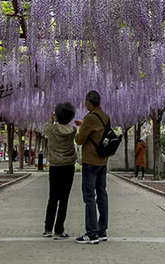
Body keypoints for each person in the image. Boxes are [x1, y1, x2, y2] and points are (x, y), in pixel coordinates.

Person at [73, 90, 110, 245]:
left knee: (89, 196)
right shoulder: (105, 117)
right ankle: (102, 231)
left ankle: (91, 233)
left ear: (89, 102)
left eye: (86, 102)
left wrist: (80, 129)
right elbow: (100, 133)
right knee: (102, 194)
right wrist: (85, 125)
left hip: (91, 162)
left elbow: (80, 140)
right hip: (103, 161)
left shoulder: (89, 117)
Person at [42, 102, 77, 240]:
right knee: (64, 199)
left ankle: (47, 228)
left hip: (55, 166)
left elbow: (46, 127)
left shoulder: (51, 130)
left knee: (53, 197)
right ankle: (59, 230)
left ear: (56, 116)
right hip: (68, 166)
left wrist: (52, 119)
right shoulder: (73, 130)